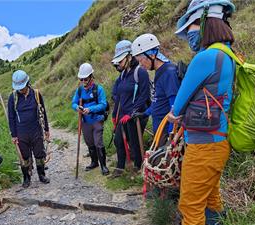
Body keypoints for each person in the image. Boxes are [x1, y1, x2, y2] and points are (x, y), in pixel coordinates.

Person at [166, 0, 236, 225]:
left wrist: (175, 114)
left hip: (203, 145)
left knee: (190, 202)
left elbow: (178, 105)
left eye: (192, 26)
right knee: (211, 195)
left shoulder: (206, 57)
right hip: (220, 141)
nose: (190, 34)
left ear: (206, 22)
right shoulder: (228, 54)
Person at [109, 40, 151, 178]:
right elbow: (118, 97)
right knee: (118, 141)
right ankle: (120, 168)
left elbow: (144, 95)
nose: (118, 64)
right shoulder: (122, 76)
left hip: (136, 116)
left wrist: (132, 112)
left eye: (120, 61)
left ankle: (138, 166)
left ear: (129, 56)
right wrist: (115, 116)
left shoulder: (140, 72)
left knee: (134, 142)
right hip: (123, 115)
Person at [132, 33, 180, 145]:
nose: (140, 65)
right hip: (159, 131)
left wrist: (171, 134)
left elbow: (175, 106)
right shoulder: (159, 72)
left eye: (141, 60)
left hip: (167, 132)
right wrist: (145, 113)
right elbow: (158, 100)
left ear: (152, 55)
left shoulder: (169, 73)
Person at [8, 70, 50, 188]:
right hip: (21, 132)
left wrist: (46, 129)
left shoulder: (36, 94)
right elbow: (11, 117)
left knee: (39, 153)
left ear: (27, 83)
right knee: (24, 156)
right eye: (18, 88)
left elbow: (43, 112)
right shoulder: (13, 97)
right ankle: (26, 178)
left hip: (36, 129)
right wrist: (14, 135)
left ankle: (41, 175)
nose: (20, 90)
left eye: (22, 87)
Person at [71, 63, 109, 175]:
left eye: (85, 79)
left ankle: (103, 166)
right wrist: (77, 107)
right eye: (81, 79)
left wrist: (90, 109)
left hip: (97, 119)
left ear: (91, 77)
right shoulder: (79, 91)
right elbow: (73, 103)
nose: (83, 81)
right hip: (85, 122)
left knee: (98, 142)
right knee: (89, 142)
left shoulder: (99, 89)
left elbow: (103, 104)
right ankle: (94, 162)